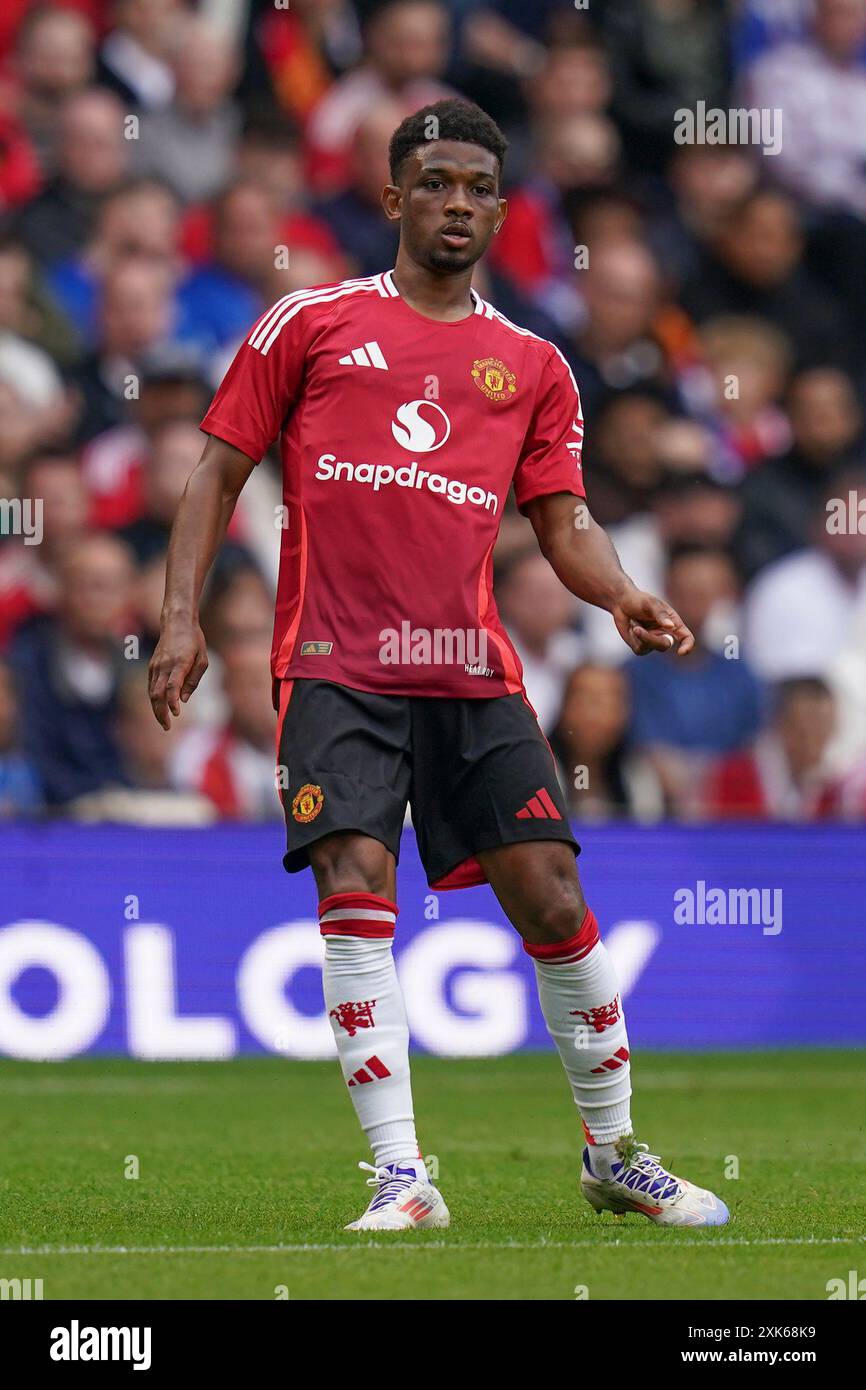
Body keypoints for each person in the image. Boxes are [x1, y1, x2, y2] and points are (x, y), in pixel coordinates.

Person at [148, 98, 729, 1232]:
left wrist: (618, 593)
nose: (453, 202)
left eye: (474, 187)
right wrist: (178, 618)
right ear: (393, 198)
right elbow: (215, 475)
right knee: (352, 880)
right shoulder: (306, 325)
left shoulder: (531, 364)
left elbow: (562, 521)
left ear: (500, 210)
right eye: (432, 183)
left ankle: (613, 1152)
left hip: (470, 669)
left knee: (553, 895)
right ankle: (402, 1178)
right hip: (334, 662)